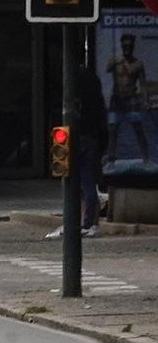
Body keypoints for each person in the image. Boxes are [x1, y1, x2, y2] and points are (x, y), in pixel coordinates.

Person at [53, 66, 109, 239]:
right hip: (85, 137)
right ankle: (87, 222)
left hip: (68, 136)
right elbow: (102, 121)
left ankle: (82, 222)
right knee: (85, 179)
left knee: (72, 180)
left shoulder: (73, 87)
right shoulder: (94, 95)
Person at [105, 34, 149, 160]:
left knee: (138, 128)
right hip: (117, 99)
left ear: (133, 46)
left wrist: (146, 101)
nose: (127, 48)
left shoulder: (138, 64)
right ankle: (111, 158)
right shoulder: (117, 61)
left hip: (131, 99)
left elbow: (143, 84)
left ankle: (145, 157)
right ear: (122, 46)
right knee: (113, 130)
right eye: (125, 46)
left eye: (129, 46)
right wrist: (117, 61)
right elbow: (107, 68)